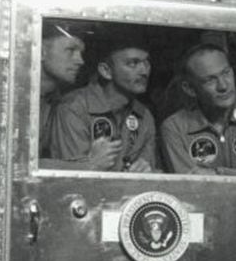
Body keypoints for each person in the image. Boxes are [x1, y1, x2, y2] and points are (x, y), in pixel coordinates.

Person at [49, 30, 157, 172]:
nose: (144, 71)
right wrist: (90, 164)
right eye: (133, 63)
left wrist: (146, 168)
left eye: (146, 63)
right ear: (106, 71)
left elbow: (150, 167)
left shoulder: (144, 115)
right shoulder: (74, 107)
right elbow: (69, 177)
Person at [160, 43, 236, 175]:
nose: (223, 86)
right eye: (210, 80)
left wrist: (216, 173)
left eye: (226, 73)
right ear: (189, 89)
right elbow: (191, 187)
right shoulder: (175, 127)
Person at [39, 21, 86, 160]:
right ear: (41, 52)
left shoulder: (59, 102)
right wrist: (89, 166)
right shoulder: (14, 98)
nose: (80, 60)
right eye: (70, 50)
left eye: (80, 53)